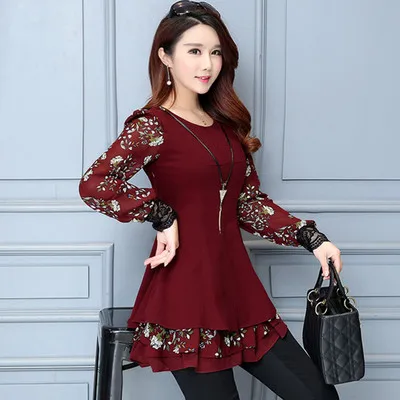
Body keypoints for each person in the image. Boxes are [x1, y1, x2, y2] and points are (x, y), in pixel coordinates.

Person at [79, 1, 342, 399]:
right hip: (185, 300)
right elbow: (95, 184)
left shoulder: (227, 128)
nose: (207, 64)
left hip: (239, 291)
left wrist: (312, 239)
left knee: (317, 395)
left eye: (215, 52)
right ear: (166, 57)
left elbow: (247, 203)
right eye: (194, 51)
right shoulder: (152, 126)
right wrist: (162, 215)